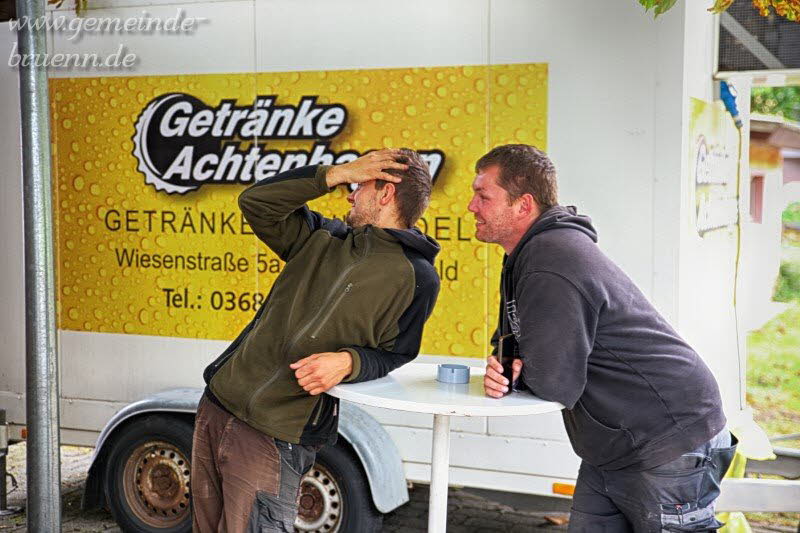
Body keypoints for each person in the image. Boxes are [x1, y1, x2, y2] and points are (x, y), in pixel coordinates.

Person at [473, 144, 736, 532]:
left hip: (667, 439)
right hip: (613, 446)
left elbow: (554, 381)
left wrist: (516, 373)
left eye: (483, 195)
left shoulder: (551, 260)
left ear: (523, 205)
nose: (471, 206)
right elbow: (509, 341)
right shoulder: (525, 257)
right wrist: (505, 367)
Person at [192, 149, 440, 532]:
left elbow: (398, 353)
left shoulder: (417, 276)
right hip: (216, 406)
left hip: (277, 434)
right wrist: (337, 172)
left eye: (359, 185)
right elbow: (254, 202)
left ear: (386, 194)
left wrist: (349, 362)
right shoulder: (321, 237)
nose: (349, 193)